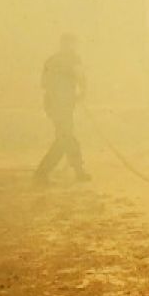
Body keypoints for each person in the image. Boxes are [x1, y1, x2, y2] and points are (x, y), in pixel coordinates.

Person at [33, 33, 91, 186]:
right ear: (69, 44)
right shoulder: (73, 58)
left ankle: (78, 171)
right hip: (63, 105)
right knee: (64, 139)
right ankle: (42, 172)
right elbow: (81, 77)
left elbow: (43, 83)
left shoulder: (51, 60)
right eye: (72, 44)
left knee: (66, 137)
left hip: (53, 106)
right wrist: (81, 93)